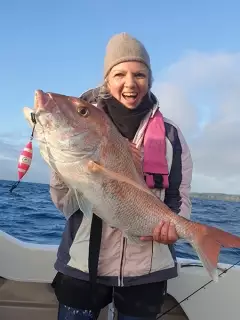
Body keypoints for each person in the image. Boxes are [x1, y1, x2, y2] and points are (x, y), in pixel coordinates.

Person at [50, 32, 193, 320]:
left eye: (139, 74)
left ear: (150, 80)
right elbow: (64, 203)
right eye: (120, 74)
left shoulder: (170, 136)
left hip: (147, 268)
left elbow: (180, 195)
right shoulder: (80, 125)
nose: (130, 83)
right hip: (83, 263)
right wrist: (65, 163)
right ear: (107, 79)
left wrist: (175, 230)